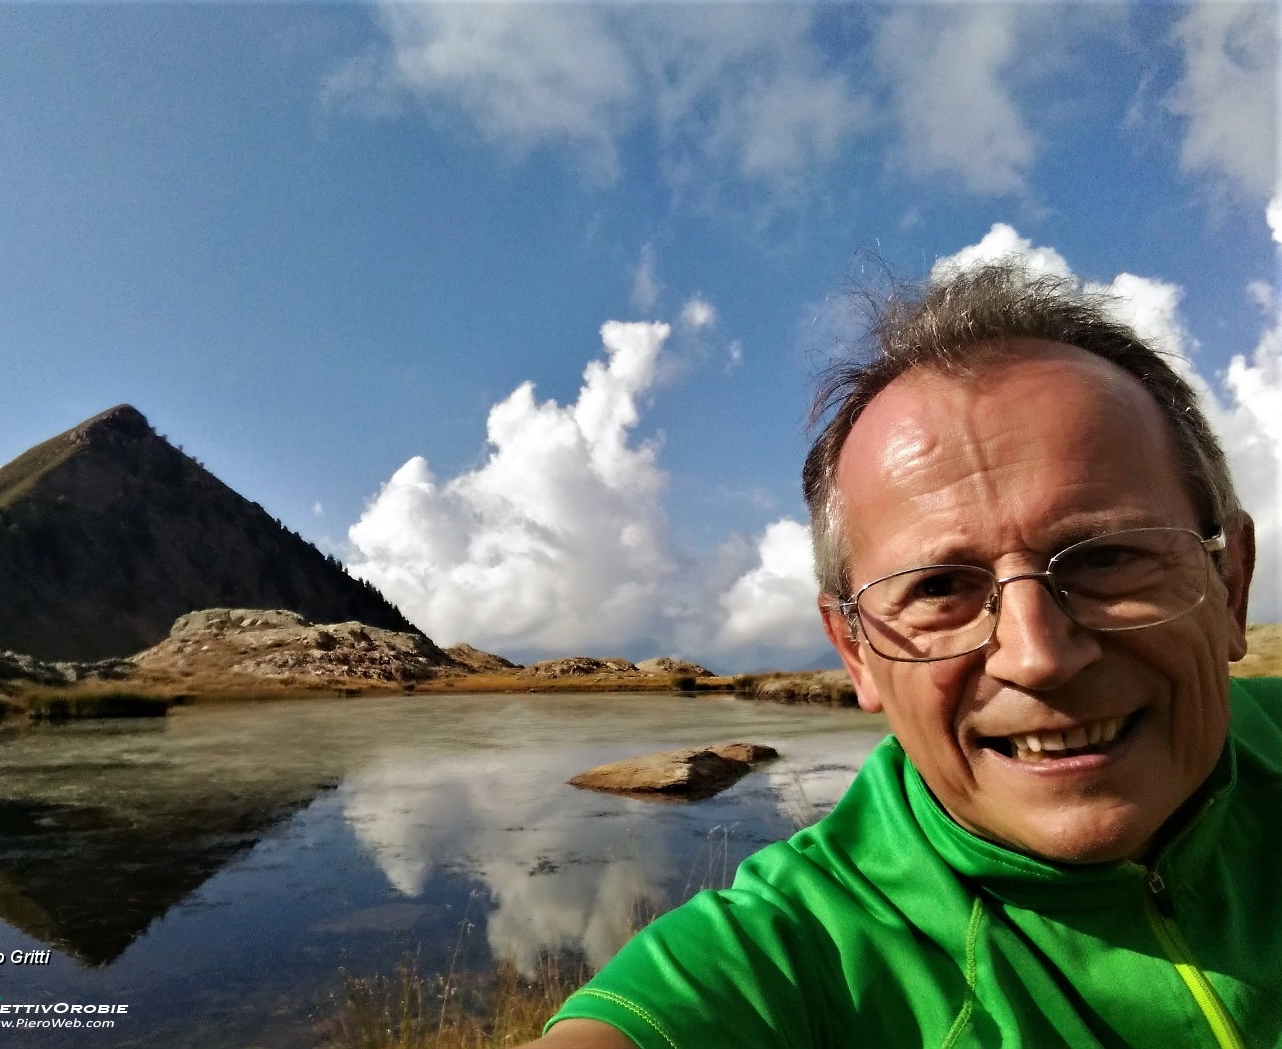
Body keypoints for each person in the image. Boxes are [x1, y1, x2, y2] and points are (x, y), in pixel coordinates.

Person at [523, 262, 1280, 1048]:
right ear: (856, 651)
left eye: (1106, 557)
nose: (1038, 655)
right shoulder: (800, 943)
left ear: (1231, 584)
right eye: (940, 587)